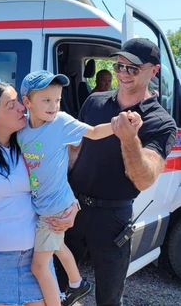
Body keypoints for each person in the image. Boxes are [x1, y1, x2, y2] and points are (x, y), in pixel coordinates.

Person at [58, 38, 178, 306]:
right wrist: (56, 194)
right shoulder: (95, 101)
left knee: (109, 298)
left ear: (153, 71)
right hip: (73, 207)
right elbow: (75, 152)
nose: (123, 74)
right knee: (54, 286)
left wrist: (129, 139)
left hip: (113, 217)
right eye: (119, 66)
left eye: (132, 69)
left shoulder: (161, 122)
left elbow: (145, 178)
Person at [18, 70, 141, 306]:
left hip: (56, 206)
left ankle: (70, 291)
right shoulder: (21, 129)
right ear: (27, 102)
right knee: (57, 246)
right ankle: (77, 283)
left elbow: (94, 133)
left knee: (39, 264)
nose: (54, 106)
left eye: (57, 100)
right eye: (46, 100)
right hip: (39, 205)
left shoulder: (61, 122)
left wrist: (118, 124)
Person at [0, 77, 80, 305]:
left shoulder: (30, 140)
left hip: (36, 258)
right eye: (11, 105)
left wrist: (72, 206)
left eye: (18, 100)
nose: (22, 107)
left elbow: (54, 179)